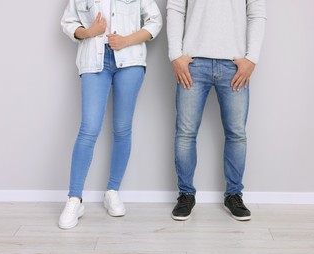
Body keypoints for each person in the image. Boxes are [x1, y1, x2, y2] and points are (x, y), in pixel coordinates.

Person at [59, 0, 162, 229]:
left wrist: (126, 40)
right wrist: (88, 32)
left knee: (122, 128)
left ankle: (112, 192)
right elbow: (68, 22)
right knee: (89, 128)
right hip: (93, 60)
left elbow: (155, 21)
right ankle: (74, 199)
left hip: (130, 59)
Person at [167, 0, 266, 221]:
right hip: (193, 63)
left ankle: (233, 195)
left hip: (234, 64)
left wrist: (252, 58)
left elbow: (257, 12)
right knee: (185, 133)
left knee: (237, 134)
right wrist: (175, 55)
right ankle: (185, 194)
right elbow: (175, 7)